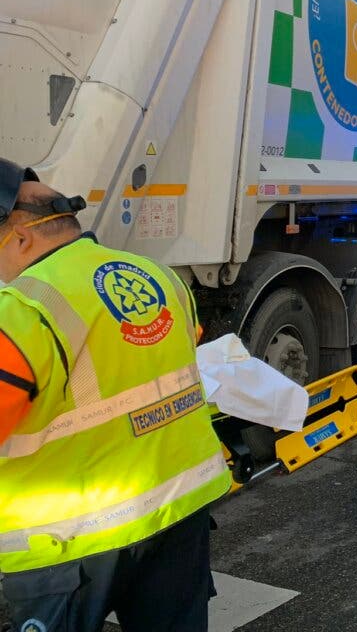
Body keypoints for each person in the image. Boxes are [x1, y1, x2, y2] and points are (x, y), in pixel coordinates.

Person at [0, 160, 232, 631]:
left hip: (71, 542)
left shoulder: (21, 312)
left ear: (19, 236)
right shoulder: (161, 278)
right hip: (177, 510)